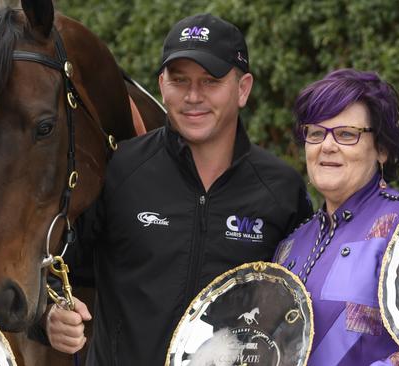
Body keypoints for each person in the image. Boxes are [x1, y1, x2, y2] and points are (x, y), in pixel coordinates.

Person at [43, 13, 313, 365]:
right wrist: (49, 318)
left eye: (211, 81)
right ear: (161, 85)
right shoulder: (120, 169)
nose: (193, 96)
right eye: (179, 80)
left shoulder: (280, 189)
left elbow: (301, 304)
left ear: (243, 88)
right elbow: (58, 269)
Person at [273, 69, 399, 365]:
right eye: (315, 133)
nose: (327, 146)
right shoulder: (290, 247)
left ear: (382, 148)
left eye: (346, 134)